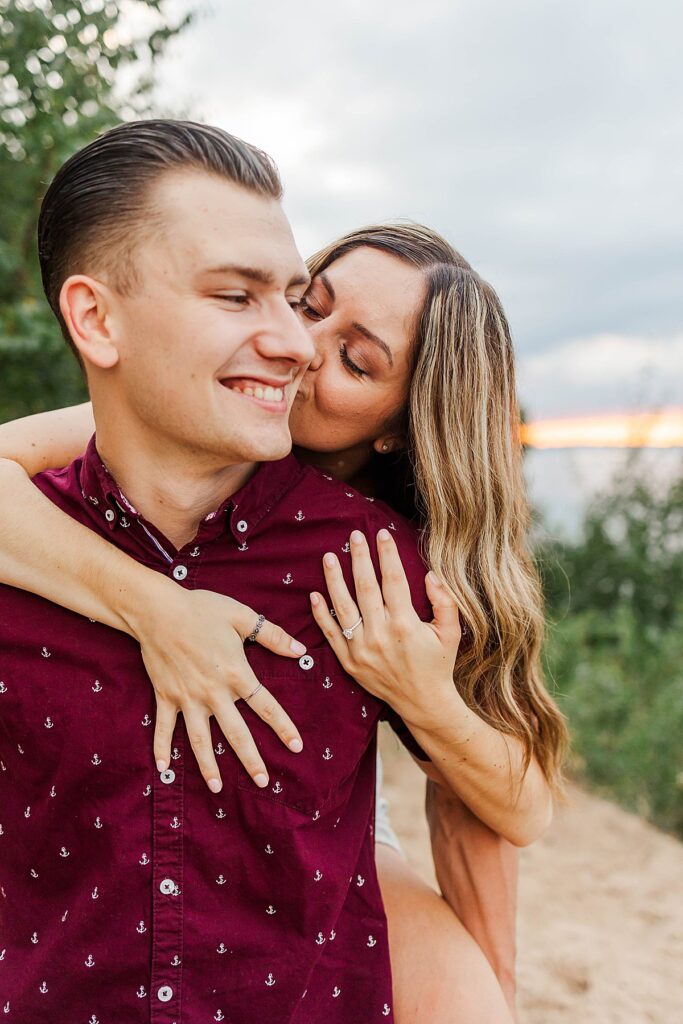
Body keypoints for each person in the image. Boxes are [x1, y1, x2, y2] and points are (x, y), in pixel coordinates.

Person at [0, 126, 567, 1023]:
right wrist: (160, 609)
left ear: (394, 426)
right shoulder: (127, 423)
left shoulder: (401, 564)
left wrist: (422, 693)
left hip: (333, 820)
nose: (300, 345)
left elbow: (502, 815)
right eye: (306, 302)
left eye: (356, 359)